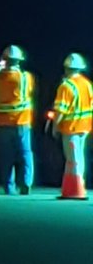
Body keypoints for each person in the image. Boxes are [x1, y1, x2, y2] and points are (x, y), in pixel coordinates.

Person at [0, 45, 35, 195]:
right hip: (22, 121)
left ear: (4, 60)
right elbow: (29, 91)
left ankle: (9, 186)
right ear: (19, 61)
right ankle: (26, 182)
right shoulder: (26, 77)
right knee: (25, 152)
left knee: (6, 156)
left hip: (1, 122)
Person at [48, 53, 92, 199]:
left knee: (73, 159)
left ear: (67, 68)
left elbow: (61, 110)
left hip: (71, 128)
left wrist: (55, 126)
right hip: (85, 127)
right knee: (78, 157)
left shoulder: (66, 86)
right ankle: (71, 189)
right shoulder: (87, 84)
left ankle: (76, 190)